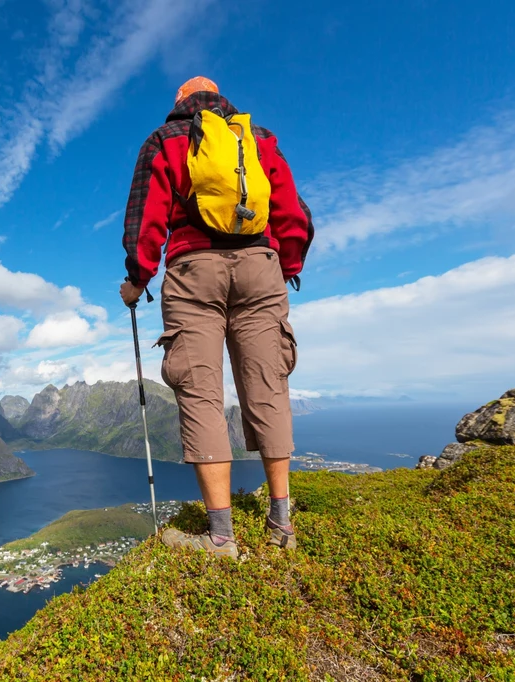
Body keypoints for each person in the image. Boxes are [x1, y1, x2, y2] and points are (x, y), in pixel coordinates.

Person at [119, 76, 313, 558]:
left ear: (179, 103)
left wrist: (137, 279)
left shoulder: (165, 140)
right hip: (260, 268)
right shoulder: (257, 139)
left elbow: (146, 218)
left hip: (193, 270)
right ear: (222, 101)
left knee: (201, 391)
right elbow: (293, 212)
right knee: (268, 383)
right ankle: (281, 523)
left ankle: (222, 537)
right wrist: (287, 264)